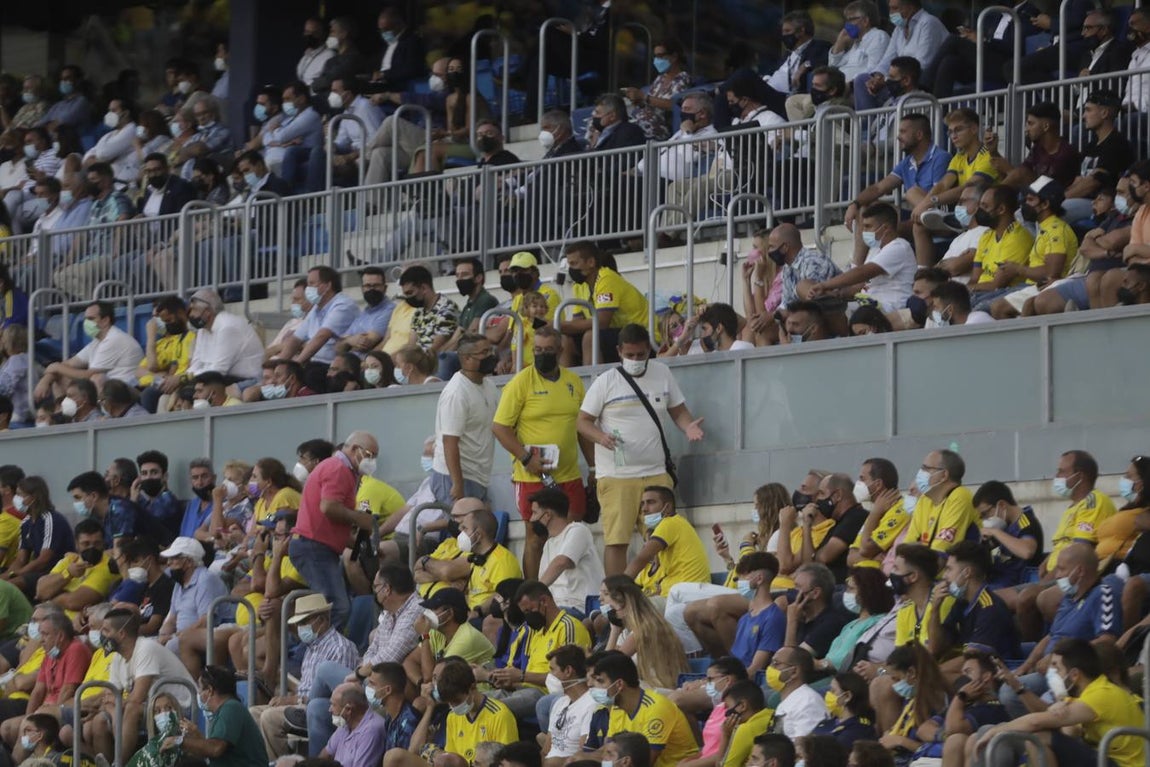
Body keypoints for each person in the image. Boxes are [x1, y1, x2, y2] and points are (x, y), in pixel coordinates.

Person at [578, 323, 704, 576]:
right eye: (630, 355)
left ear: (649, 350)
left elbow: (678, 411)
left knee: (662, 536)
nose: (636, 360)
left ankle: (660, 586)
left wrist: (688, 426)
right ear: (619, 352)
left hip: (656, 472)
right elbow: (582, 422)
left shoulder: (662, 373)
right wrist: (600, 437)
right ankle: (615, 596)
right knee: (617, 540)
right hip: (616, 475)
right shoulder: (606, 381)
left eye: (641, 355)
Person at [494, 326, 592, 578]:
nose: (542, 355)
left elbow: (583, 429)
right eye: (537, 350)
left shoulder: (573, 382)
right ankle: (533, 591)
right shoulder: (520, 382)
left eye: (548, 350)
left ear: (560, 350)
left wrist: (593, 468)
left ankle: (569, 588)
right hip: (532, 476)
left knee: (571, 533)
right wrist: (527, 458)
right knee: (536, 536)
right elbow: (500, 427)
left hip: (568, 474)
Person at [971, 639, 1144, 767]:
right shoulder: (1082, 696)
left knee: (1035, 737)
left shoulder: (1102, 694)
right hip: (1101, 758)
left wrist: (997, 730)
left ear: (1075, 674)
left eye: (1056, 668)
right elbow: (1067, 732)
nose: (1052, 674)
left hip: (1123, 765)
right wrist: (1057, 707)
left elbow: (1035, 721)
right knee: (995, 733)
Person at [252, 594, 359, 759]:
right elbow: (305, 686)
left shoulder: (340, 647)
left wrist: (294, 700)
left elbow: (337, 695)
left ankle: (280, 762)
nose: (300, 628)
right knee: (253, 713)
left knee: (270, 718)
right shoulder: (311, 648)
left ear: (322, 620)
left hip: (323, 709)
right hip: (301, 703)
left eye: (303, 623)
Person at [291, 431, 379, 630]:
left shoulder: (340, 470)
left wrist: (358, 543)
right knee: (337, 608)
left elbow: (329, 521)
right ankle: (322, 655)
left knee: (333, 607)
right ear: (355, 449)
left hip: (317, 546)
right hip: (313, 547)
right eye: (370, 454)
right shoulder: (338, 468)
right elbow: (329, 507)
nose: (372, 461)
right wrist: (360, 518)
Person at [101, 607, 197, 762]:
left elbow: (136, 699)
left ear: (121, 634)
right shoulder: (118, 658)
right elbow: (108, 696)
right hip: (154, 707)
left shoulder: (146, 648)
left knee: (131, 710)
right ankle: (104, 762)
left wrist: (116, 706)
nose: (102, 635)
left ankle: (119, 763)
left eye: (105, 630)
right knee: (99, 722)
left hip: (179, 708)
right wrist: (113, 710)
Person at [912, 109, 1003, 264]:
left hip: (983, 215)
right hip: (964, 213)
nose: (953, 136)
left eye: (958, 130)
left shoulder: (987, 155)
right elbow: (943, 184)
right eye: (950, 132)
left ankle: (944, 219)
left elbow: (968, 187)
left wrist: (928, 202)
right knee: (917, 216)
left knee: (919, 210)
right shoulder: (959, 157)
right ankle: (923, 273)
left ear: (974, 129)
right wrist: (924, 204)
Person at [582, 651, 698, 767]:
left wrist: (596, 762)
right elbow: (608, 750)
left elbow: (641, 763)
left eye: (601, 681)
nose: (594, 687)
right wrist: (579, 759)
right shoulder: (616, 708)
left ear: (619, 685)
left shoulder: (656, 708)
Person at [844, 115, 951, 233]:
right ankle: (858, 252)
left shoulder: (941, 157)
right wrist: (855, 204)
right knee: (867, 209)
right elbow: (878, 188)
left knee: (911, 194)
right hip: (916, 214)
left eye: (903, 132)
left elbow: (939, 196)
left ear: (919, 135)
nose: (898, 137)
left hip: (939, 217)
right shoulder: (906, 163)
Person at [429, 334, 498, 504]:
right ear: (467, 359)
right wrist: (457, 483)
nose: (491, 356)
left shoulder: (489, 385)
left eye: (490, 350)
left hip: (478, 476)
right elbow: (450, 442)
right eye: (484, 352)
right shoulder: (456, 393)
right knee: (463, 529)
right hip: (455, 477)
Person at [931, 541, 1020, 673]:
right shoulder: (961, 603)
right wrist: (935, 609)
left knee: (935, 682)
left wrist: (933, 674)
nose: (944, 576)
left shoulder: (990, 608)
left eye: (949, 569)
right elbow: (936, 647)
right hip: (971, 671)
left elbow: (973, 658)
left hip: (996, 675)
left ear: (967, 572)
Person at [811, 203, 917, 313]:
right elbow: (861, 285)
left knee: (830, 314)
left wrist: (825, 285)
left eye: (868, 227)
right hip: (869, 306)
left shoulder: (899, 247)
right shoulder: (876, 250)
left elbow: (862, 272)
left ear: (885, 228)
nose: (863, 232)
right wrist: (834, 293)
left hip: (890, 308)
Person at [560, 242, 650, 366]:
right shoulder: (579, 286)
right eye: (569, 264)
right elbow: (577, 323)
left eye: (574, 264)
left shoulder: (607, 279)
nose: (571, 269)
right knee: (565, 339)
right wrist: (561, 328)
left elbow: (602, 322)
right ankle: (564, 384)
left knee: (590, 336)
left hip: (641, 333)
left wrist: (561, 325)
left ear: (591, 262)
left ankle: (593, 383)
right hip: (618, 333)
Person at [33, 300, 143, 402]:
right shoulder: (97, 342)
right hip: (112, 388)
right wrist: (46, 379)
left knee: (96, 378)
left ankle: (98, 417)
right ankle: (64, 415)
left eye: (91, 319)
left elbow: (87, 375)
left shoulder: (114, 339)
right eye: (85, 319)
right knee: (61, 376)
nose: (86, 323)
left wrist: (55, 366)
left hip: (127, 390)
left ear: (105, 320)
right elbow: (69, 364)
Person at [276, 266, 360, 393]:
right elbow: (295, 340)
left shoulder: (343, 304)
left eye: (311, 284)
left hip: (334, 366)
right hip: (315, 364)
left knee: (308, 375)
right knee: (278, 379)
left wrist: (296, 365)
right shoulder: (316, 308)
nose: (307, 289)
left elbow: (322, 336)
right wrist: (279, 367)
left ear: (327, 286)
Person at [854, 0, 947, 108]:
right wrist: (878, 77)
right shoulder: (899, 29)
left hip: (918, 85)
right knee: (862, 81)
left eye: (895, 8)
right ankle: (873, 124)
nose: (891, 13)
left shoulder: (928, 23)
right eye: (890, 8)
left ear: (910, 7)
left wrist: (886, 80)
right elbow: (887, 59)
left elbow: (922, 64)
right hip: (898, 82)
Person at [180, 665, 269, 767]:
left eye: (200, 689)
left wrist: (179, 742)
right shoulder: (224, 710)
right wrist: (197, 735)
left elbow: (215, 749)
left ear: (210, 690)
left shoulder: (231, 708)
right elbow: (214, 750)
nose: (199, 694)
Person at [971, 480, 1042, 596]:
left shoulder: (1026, 522)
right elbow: (995, 557)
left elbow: (1027, 551)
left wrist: (995, 532)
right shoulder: (1004, 526)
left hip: (1019, 585)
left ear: (1002, 505)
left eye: (985, 514)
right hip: (998, 581)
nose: (984, 520)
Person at [902, 449, 977, 553]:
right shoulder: (925, 499)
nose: (920, 473)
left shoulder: (960, 496)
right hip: (922, 566)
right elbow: (906, 548)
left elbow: (941, 554)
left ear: (943, 475)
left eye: (926, 469)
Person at [758, 12, 832, 116]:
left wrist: (805, 65)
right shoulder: (787, 55)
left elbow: (823, 61)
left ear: (801, 30)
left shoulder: (818, 46)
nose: (784, 35)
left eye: (788, 31)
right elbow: (774, 73)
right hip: (768, 93)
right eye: (783, 32)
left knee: (744, 75)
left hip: (787, 98)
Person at [621, 39, 693, 141]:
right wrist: (637, 100)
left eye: (660, 56)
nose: (657, 60)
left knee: (630, 128)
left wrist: (643, 96)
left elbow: (674, 105)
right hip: (644, 119)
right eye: (655, 56)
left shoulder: (682, 78)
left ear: (674, 57)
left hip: (660, 126)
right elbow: (648, 102)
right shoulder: (660, 79)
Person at [766, 645, 827, 738]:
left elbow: (805, 747)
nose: (770, 668)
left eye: (776, 663)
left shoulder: (808, 702)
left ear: (794, 672)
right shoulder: (790, 700)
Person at [811, 672, 878, 750]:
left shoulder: (859, 729)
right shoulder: (827, 722)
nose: (828, 695)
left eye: (833, 691)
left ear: (847, 696)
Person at [828, 2, 890, 83]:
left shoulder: (878, 36)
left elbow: (873, 70)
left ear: (865, 21)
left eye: (851, 19)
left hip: (855, 87)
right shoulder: (857, 43)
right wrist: (840, 41)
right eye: (846, 20)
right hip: (839, 87)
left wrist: (849, 84)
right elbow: (832, 67)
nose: (847, 24)